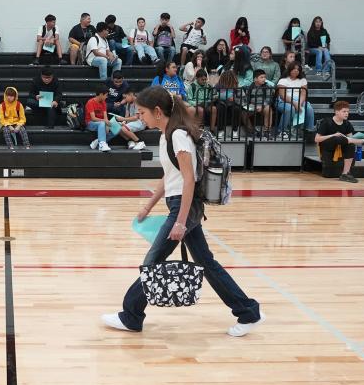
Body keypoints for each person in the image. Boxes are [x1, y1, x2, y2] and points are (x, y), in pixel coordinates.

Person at [102, 86, 262, 337]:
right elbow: (170, 176)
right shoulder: (168, 134)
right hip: (181, 206)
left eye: (142, 112)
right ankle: (248, 311)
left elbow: (188, 180)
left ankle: (131, 315)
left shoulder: (178, 136)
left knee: (152, 262)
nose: (140, 117)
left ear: (157, 111)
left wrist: (180, 221)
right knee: (206, 263)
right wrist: (148, 205)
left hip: (183, 207)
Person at [315, 99, 361, 183]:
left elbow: (350, 139)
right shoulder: (326, 122)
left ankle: (345, 174)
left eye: (347, 111)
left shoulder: (347, 123)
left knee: (351, 145)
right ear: (336, 112)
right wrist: (333, 135)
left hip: (341, 144)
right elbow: (317, 139)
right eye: (344, 111)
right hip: (328, 146)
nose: (347, 113)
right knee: (337, 138)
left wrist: (356, 139)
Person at [274, 61, 313, 134]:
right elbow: (283, 95)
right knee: (290, 109)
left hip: (299, 100)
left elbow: (303, 94)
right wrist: (295, 104)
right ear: (290, 69)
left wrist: (299, 104)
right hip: (284, 101)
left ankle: (308, 131)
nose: (296, 71)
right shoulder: (283, 80)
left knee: (309, 108)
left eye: (298, 69)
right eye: (294, 69)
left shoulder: (303, 80)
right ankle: (282, 131)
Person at [242, 70, 274, 136]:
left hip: (263, 106)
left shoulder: (267, 87)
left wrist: (262, 106)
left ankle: (267, 131)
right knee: (243, 113)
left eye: (265, 77)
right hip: (253, 105)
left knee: (268, 109)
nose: (264, 79)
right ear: (255, 79)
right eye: (261, 77)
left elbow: (269, 99)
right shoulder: (249, 87)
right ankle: (252, 131)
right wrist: (248, 106)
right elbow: (246, 99)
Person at [85, 84, 114, 152]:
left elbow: (105, 116)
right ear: (101, 94)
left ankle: (98, 141)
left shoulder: (103, 103)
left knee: (116, 128)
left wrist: (107, 125)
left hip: (101, 122)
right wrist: (104, 122)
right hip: (90, 123)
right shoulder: (90, 102)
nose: (106, 97)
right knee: (102, 123)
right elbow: (93, 118)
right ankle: (102, 144)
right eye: (106, 95)